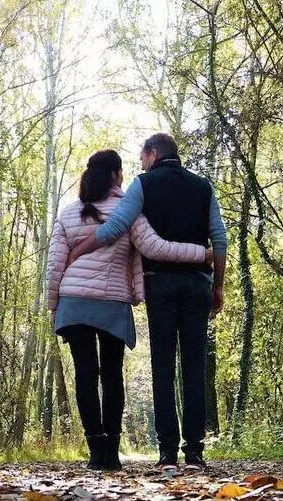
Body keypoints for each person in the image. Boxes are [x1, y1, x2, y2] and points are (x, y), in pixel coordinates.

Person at [67, 133, 227, 471]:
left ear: (153, 153)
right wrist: (218, 286)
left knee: (163, 367)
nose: (140, 164)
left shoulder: (143, 184)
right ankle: (194, 452)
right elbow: (220, 238)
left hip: (161, 284)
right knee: (195, 366)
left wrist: (78, 251)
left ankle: (167, 452)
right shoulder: (203, 186)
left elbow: (116, 226)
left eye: (142, 157)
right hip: (198, 282)